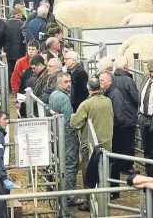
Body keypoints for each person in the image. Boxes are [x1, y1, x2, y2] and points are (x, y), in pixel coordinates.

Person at [71, 77, 114, 212]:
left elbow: (75, 123)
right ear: (99, 88)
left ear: (89, 89)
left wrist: (72, 116)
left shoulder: (86, 104)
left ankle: (90, 203)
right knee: (104, 173)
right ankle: (104, 201)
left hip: (90, 146)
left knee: (89, 174)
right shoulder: (108, 101)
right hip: (106, 143)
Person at [49, 72, 84, 207]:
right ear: (59, 83)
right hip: (67, 135)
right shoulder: (64, 98)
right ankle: (70, 197)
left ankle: (61, 192)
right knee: (70, 165)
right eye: (65, 82)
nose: (68, 84)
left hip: (57, 133)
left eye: (69, 81)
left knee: (60, 164)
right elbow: (69, 121)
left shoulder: (54, 95)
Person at [99, 70, 129, 200]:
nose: (100, 83)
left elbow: (119, 117)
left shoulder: (115, 95)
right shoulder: (108, 92)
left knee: (114, 162)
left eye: (102, 81)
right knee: (112, 161)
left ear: (109, 82)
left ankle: (114, 190)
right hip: (113, 130)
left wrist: (108, 123)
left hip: (117, 131)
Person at [113, 56, 139, 175]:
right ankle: (127, 166)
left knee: (118, 142)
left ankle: (117, 165)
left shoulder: (112, 79)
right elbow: (135, 98)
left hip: (116, 117)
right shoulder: (128, 80)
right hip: (128, 117)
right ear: (125, 67)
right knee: (128, 144)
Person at [138, 60, 153, 177]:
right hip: (143, 116)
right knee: (146, 146)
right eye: (150, 71)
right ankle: (148, 171)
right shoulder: (145, 77)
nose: (152, 74)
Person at [5, 7, 25, 89]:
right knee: (19, 69)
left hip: (9, 50)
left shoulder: (6, 23)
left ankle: (10, 86)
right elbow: (23, 37)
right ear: (18, 14)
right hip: (19, 50)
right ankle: (18, 86)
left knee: (10, 68)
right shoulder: (21, 23)